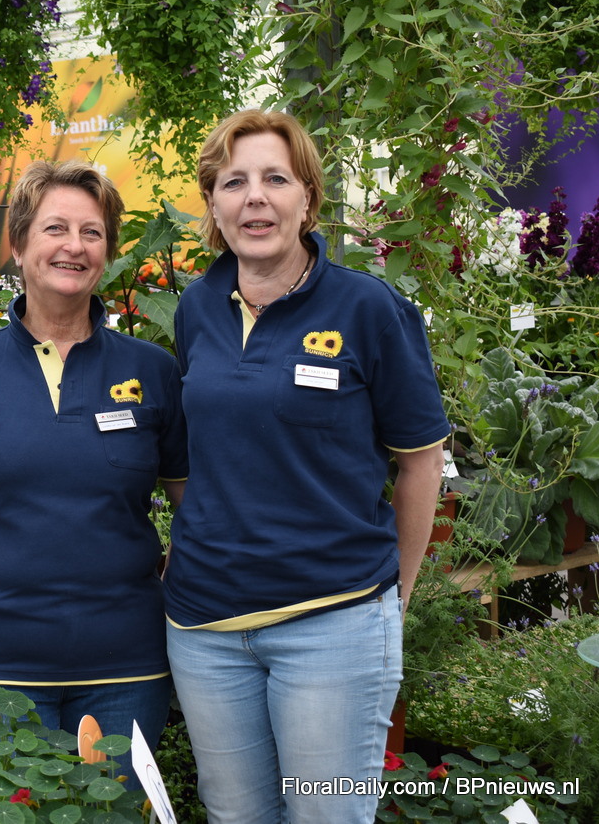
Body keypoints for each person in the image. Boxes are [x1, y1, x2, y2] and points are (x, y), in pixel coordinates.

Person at [162, 109, 448, 823]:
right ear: (213, 204)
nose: (254, 198)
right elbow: (202, 454)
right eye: (234, 182)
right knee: (235, 817)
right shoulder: (197, 309)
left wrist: (395, 596)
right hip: (204, 630)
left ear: (308, 198)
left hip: (332, 623)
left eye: (276, 179)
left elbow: (421, 462)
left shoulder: (368, 309)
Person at [0, 159, 187, 767]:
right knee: (9, 806)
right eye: (55, 229)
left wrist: (176, 593)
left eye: (92, 232)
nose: (75, 246)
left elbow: (194, 504)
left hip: (126, 669)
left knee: (111, 811)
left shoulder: (152, 370)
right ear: (18, 246)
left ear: (107, 252)